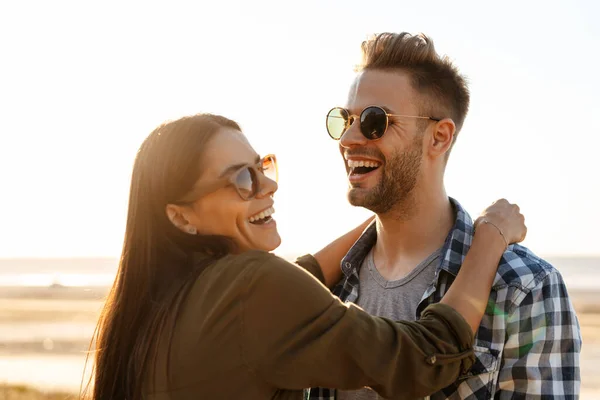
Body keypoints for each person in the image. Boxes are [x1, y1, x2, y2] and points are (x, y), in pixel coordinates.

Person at [83, 113, 526, 400]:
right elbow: (424, 357)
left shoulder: (161, 304)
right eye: (241, 179)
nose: (267, 186)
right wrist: (490, 234)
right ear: (182, 217)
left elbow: (297, 282)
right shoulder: (250, 287)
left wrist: (388, 211)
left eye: (262, 167)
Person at [313, 32, 582, 400]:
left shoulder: (522, 288)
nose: (348, 139)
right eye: (344, 119)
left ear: (438, 138)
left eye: (375, 121)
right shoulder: (325, 287)